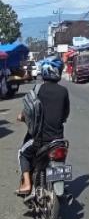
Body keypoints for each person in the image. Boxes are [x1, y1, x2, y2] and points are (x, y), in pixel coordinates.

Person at [16, 58, 70, 195]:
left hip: (40, 140)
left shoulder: (38, 89)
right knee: (60, 158)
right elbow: (65, 115)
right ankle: (57, 182)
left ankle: (27, 184)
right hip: (58, 141)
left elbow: (29, 109)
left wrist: (22, 117)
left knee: (22, 152)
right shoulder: (64, 91)